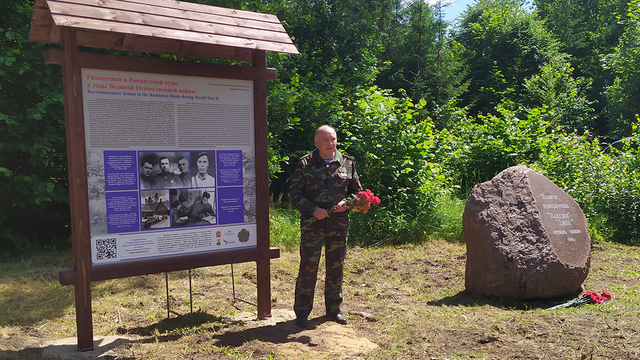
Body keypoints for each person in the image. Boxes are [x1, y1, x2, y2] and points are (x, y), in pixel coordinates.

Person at [289, 125, 361, 327]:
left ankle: (334, 309)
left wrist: (347, 203)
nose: (331, 144)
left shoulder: (346, 163)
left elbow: (357, 192)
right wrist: (313, 209)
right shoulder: (305, 164)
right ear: (317, 143)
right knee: (308, 267)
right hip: (313, 225)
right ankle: (302, 312)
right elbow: (295, 195)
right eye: (326, 140)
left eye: (334, 140)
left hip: (338, 225)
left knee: (336, 267)